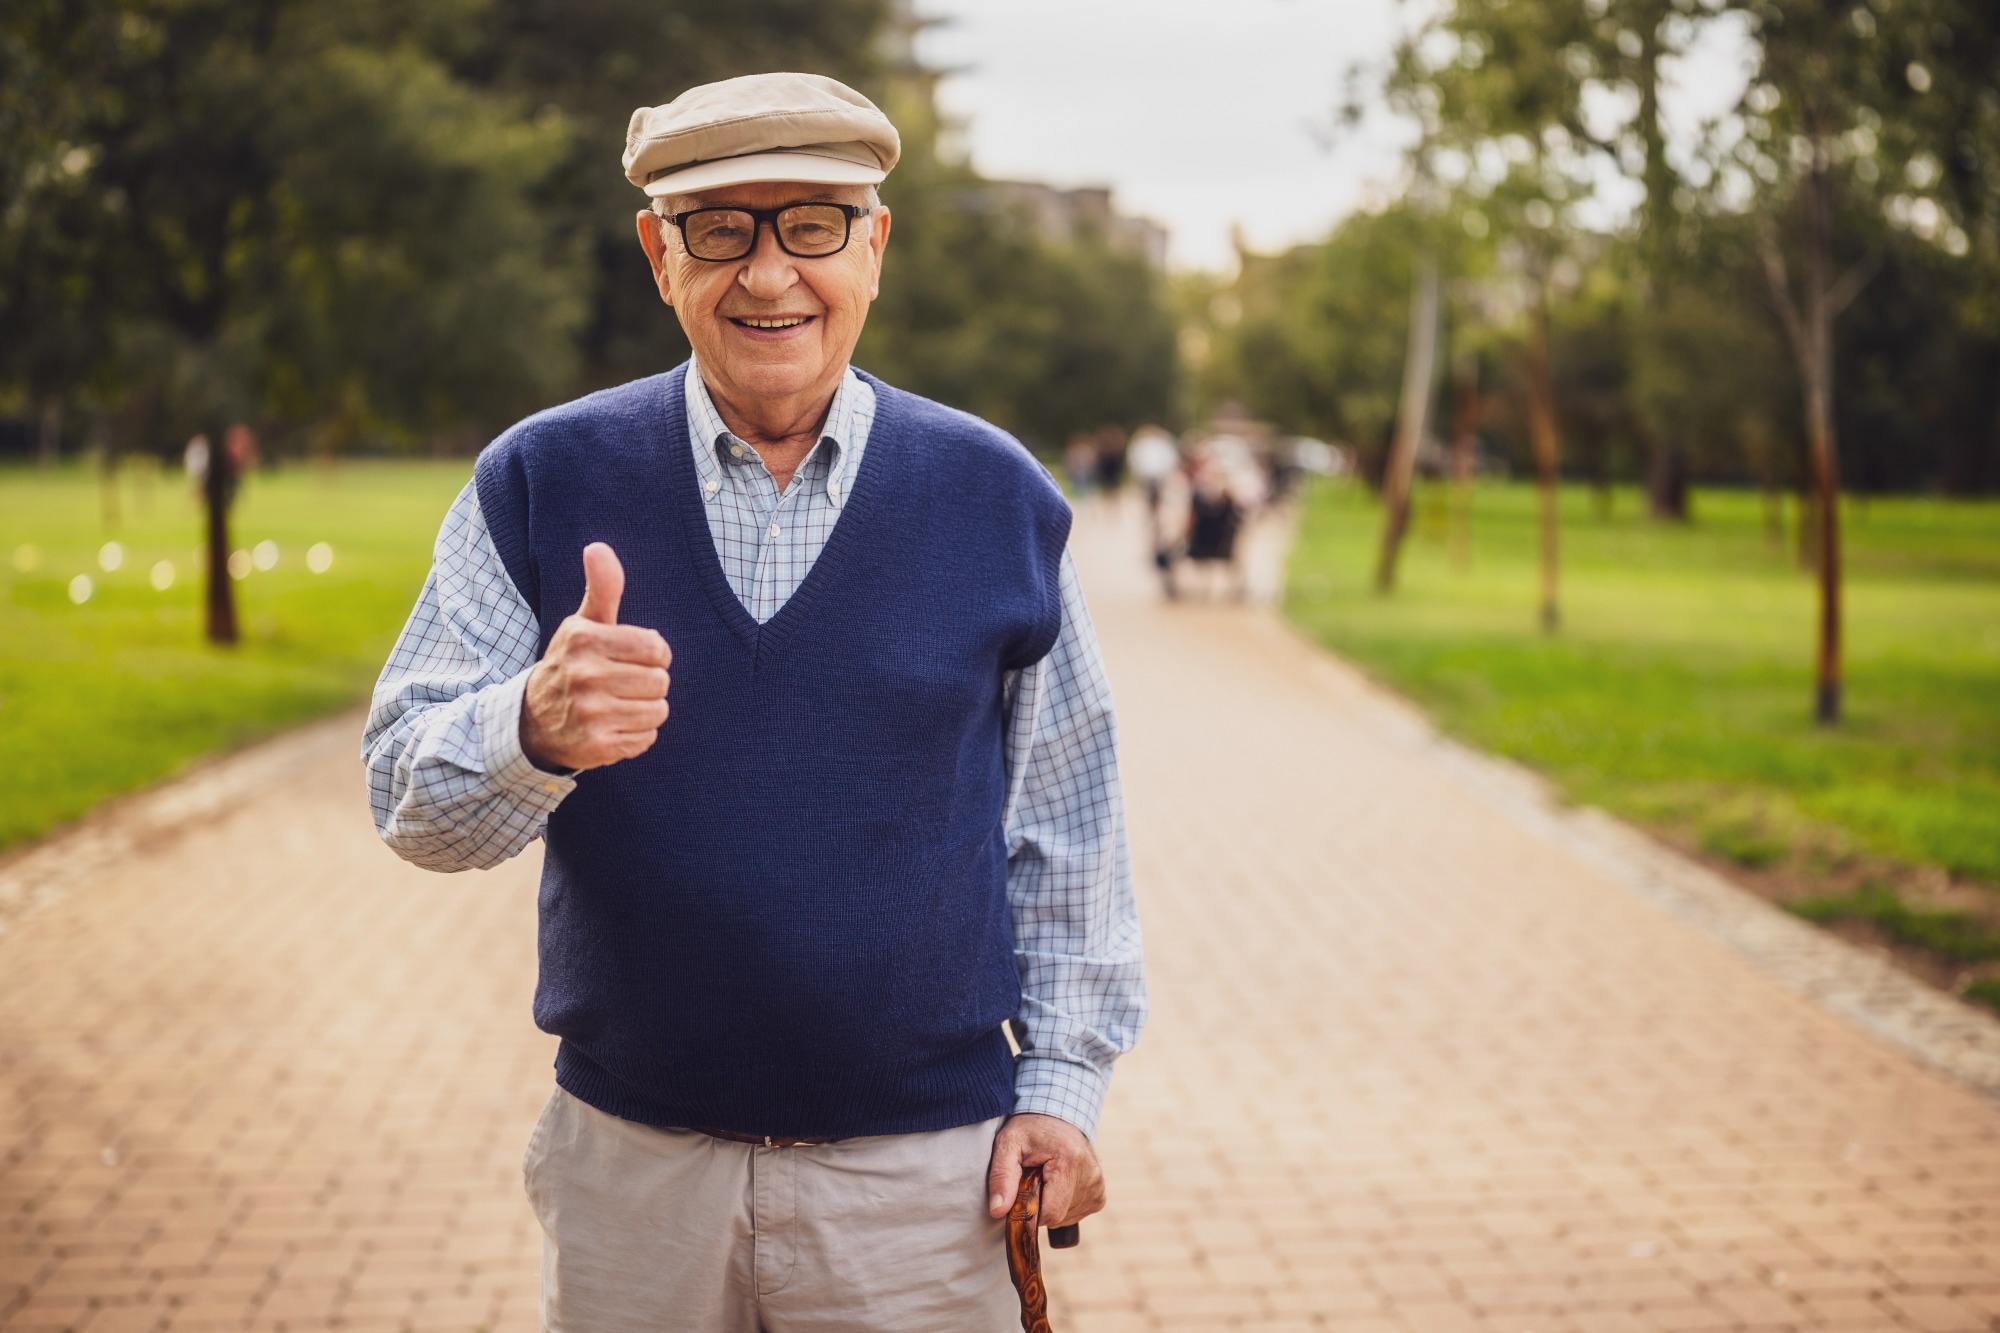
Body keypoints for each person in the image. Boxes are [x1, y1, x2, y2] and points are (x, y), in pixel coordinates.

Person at [361, 72, 1144, 1331]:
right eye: (719, 227)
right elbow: (409, 804)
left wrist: (1060, 1087)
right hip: (634, 1175)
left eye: (813, 225)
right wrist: (528, 728)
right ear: (657, 255)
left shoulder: (994, 496)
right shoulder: (538, 479)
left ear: (874, 246)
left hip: (924, 1183)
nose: (768, 275)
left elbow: (1068, 827)